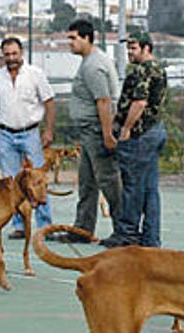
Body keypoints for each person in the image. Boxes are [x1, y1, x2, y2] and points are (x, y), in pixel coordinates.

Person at [0, 37, 56, 240]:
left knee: (38, 180)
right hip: (5, 134)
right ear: (2, 55)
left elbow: (49, 102)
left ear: (21, 52)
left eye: (14, 53)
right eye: (7, 54)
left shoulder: (35, 74)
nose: (11, 58)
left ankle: (44, 226)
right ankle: (19, 225)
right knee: (11, 183)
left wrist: (48, 130)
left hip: (30, 132)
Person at [54, 19, 122, 244]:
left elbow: (104, 101)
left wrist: (106, 134)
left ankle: (124, 230)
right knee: (87, 182)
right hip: (89, 132)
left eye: (73, 38)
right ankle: (82, 229)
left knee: (109, 182)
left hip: (96, 131)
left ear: (87, 38)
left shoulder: (94, 66)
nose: (69, 43)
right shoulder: (90, 61)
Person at [101, 32, 168, 248]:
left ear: (146, 48)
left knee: (132, 186)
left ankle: (128, 234)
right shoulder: (158, 68)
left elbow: (139, 102)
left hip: (140, 134)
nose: (129, 52)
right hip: (154, 130)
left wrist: (126, 129)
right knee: (149, 188)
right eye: (128, 48)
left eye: (134, 48)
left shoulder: (142, 71)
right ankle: (150, 238)